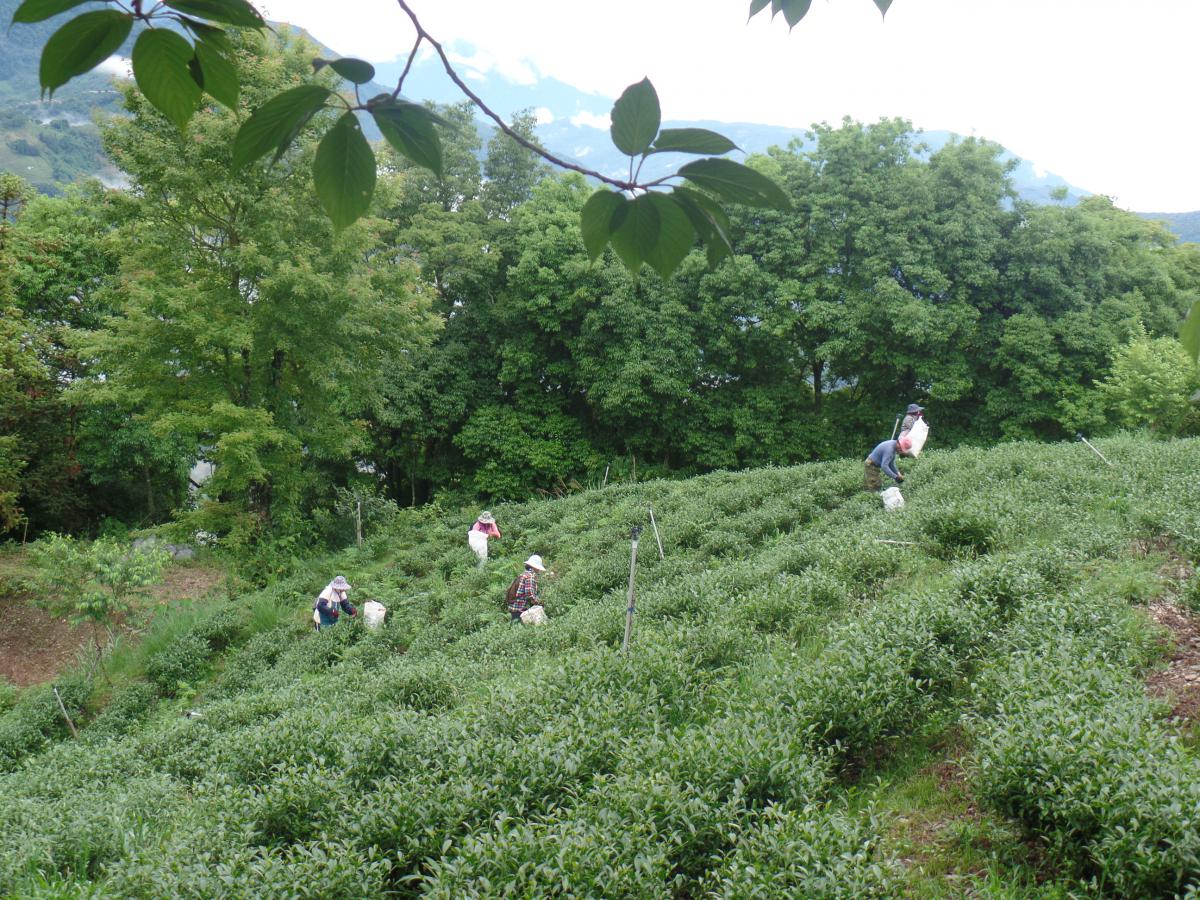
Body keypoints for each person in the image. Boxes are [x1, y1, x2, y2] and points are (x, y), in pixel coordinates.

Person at [508, 554, 546, 622]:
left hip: (514, 607)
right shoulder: (530, 576)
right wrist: (538, 602)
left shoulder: (523, 574)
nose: (539, 570)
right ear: (534, 567)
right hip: (520, 609)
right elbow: (529, 593)